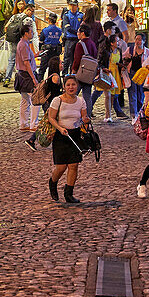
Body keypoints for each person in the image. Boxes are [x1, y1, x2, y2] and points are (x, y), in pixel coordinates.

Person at [47, 74, 90, 203]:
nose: (71, 87)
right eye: (68, 85)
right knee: (61, 167)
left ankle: (69, 193)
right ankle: (52, 183)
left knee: (73, 165)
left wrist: (86, 121)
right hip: (61, 135)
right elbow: (51, 118)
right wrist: (60, 128)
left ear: (77, 86)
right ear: (64, 87)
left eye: (73, 85)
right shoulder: (57, 100)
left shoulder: (81, 101)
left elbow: (84, 117)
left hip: (75, 135)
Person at [16, 22, 40, 149]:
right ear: (26, 33)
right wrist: (34, 78)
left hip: (22, 75)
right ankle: (33, 124)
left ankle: (24, 123)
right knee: (35, 100)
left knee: (25, 100)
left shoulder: (24, 44)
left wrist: (36, 55)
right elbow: (26, 63)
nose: (32, 33)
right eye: (31, 31)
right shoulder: (24, 45)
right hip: (26, 75)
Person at [95, 30, 125, 123]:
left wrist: (122, 66)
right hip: (108, 74)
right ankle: (107, 115)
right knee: (107, 95)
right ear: (112, 43)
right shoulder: (106, 52)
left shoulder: (119, 51)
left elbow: (120, 62)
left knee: (113, 96)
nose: (118, 43)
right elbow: (99, 63)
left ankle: (109, 114)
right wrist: (104, 69)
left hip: (115, 75)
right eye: (116, 41)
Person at [128, 32, 149, 123]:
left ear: (144, 41)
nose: (137, 41)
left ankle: (139, 111)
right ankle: (133, 114)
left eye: (139, 39)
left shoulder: (148, 52)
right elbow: (123, 56)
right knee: (132, 93)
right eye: (136, 39)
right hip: (132, 73)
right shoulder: (130, 49)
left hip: (143, 76)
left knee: (141, 94)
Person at [72, 24, 98, 115]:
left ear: (82, 33)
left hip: (81, 73)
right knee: (87, 96)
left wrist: (74, 71)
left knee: (72, 94)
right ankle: (88, 116)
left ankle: (72, 113)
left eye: (79, 32)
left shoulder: (80, 44)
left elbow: (77, 59)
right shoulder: (92, 43)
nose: (77, 33)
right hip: (90, 74)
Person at [61, 0, 84, 74]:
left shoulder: (81, 15)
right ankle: (64, 75)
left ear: (77, 6)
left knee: (76, 59)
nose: (72, 7)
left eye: (74, 5)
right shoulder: (66, 15)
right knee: (67, 58)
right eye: (71, 5)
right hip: (70, 39)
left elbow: (83, 26)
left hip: (78, 40)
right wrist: (78, 33)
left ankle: (73, 74)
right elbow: (67, 27)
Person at [38, 12, 63, 78]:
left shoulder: (45, 30)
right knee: (55, 70)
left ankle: (39, 85)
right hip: (56, 52)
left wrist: (40, 50)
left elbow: (41, 41)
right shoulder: (59, 30)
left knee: (42, 70)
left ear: (48, 20)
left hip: (46, 52)